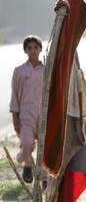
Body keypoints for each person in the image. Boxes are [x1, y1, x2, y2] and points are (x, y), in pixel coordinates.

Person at [10, 35, 47, 185]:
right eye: (29, 48)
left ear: (40, 49)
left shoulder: (46, 70)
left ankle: (45, 179)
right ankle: (27, 164)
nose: (33, 51)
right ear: (25, 50)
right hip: (26, 115)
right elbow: (15, 95)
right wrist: (15, 118)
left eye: (35, 47)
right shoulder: (19, 71)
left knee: (44, 148)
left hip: (44, 114)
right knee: (26, 143)